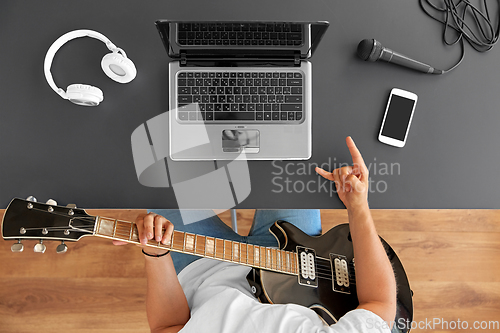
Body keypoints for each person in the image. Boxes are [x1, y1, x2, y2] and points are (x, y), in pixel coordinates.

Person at [114, 137, 396, 333]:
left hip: (201, 268)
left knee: (160, 156)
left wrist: (157, 253)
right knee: (294, 152)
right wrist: (358, 206)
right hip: (295, 258)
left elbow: (166, 327)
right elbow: (381, 304)